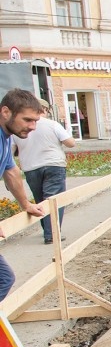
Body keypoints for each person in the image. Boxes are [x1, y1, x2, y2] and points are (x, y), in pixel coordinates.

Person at [0, 89, 46, 299]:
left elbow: (11, 172)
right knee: (4, 278)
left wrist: (26, 204)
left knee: (4, 278)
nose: (32, 126)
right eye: (27, 120)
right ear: (6, 112)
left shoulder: (6, 138)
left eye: (35, 120)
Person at [12, 99, 75, 244]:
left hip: (30, 167)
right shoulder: (52, 124)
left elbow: (10, 151)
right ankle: (51, 234)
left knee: (40, 200)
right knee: (53, 200)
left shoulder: (18, 128)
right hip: (54, 165)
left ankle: (47, 230)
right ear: (45, 110)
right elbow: (70, 143)